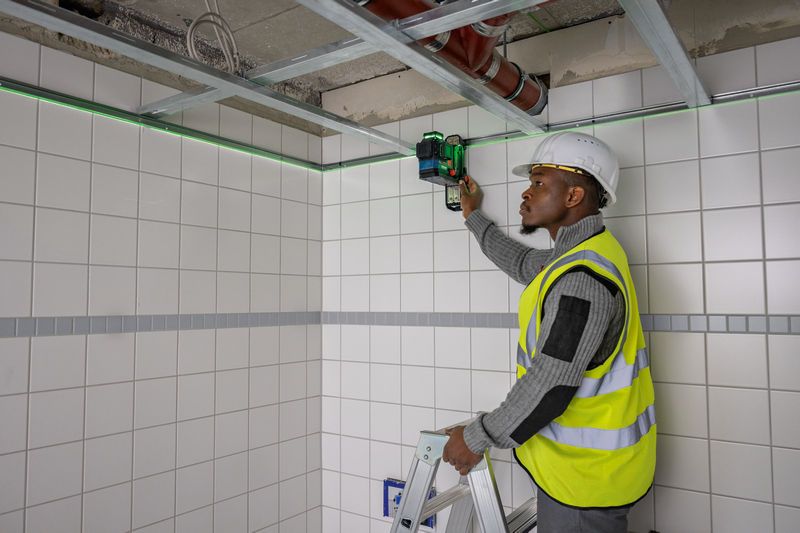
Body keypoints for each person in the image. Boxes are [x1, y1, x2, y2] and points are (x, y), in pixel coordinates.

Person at [441, 131, 656, 532]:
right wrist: (472, 216)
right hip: (586, 474)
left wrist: (475, 437)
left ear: (574, 196)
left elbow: (550, 383)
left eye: (539, 183)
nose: (526, 193)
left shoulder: (582, 278)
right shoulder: (582, 254)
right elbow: (522, 262)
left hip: (585, 485)